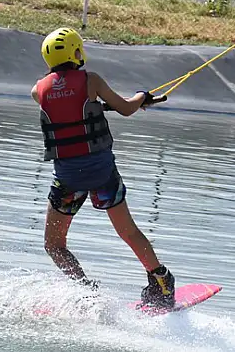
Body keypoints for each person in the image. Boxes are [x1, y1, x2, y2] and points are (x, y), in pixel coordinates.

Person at [30, 27, 176, 309]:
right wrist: (140, 96)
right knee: (127, 231)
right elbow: (125, 108)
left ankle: (87, 292)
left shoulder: (38, 91)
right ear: (76, 52)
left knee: (54, 245)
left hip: (68, 180)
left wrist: (96, 106)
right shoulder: (91, 80)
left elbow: (68, 107)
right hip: (102, 174)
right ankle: (161, 280)